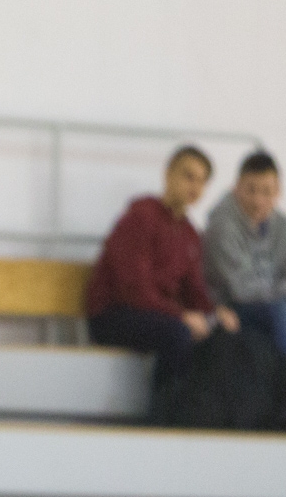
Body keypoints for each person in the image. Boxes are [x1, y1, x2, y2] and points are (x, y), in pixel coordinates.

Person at [88, 145, 240, 389]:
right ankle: (163, 419)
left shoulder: (190, 233)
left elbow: (194, 290)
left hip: (158, 314)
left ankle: (205, 415)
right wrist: (180, 315)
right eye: (188, 176)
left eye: (202, 181)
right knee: (177, 333)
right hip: (114, 313)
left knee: (225, 334)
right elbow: (133, 289)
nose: (194, 187)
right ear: (168, 174)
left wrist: (215, 314)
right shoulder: (142, 215)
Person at [201, 150, 286, 360]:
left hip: (278, 308)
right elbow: (242, 289)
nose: (258, 200)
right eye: (251, 190)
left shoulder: (282, 224)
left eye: (267, 192)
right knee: (283, 312)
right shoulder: (221, 226)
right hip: (232, 312)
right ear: (237, 188)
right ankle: (284, 389)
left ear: (278, 192)